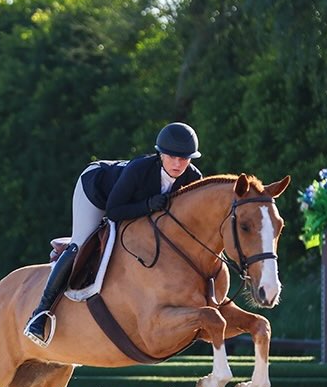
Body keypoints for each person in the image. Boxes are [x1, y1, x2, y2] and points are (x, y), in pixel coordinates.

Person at [23, 121, 204, 345]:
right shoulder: (140, 170)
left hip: (133, 206)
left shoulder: (193, 179)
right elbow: (114, 211)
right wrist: (148, 205)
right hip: (96, 191)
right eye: (172, 157)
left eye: (184, 158)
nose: (178, 164)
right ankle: (40, 313)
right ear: (160, 155)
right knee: (81, 244)